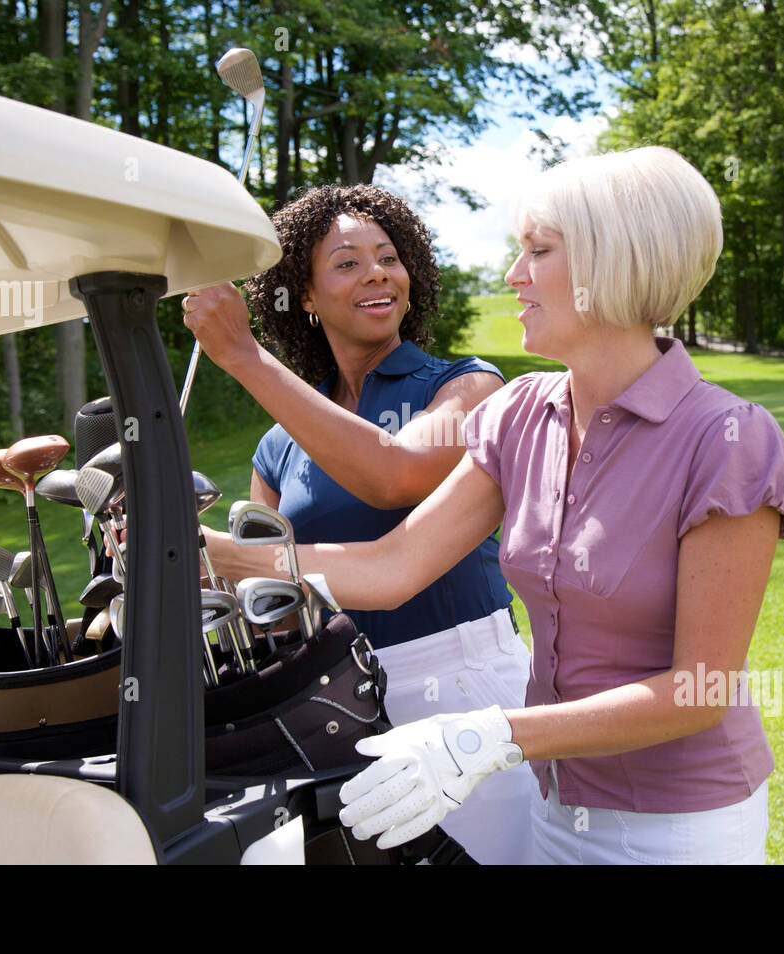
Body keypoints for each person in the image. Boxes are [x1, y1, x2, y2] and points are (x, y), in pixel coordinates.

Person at [202, 147, 784, 865]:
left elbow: (699, 692)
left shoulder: (728, 437)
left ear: (615, 263)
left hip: (682, 824)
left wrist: (489, 737)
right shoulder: (521, 414)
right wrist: (213, 555)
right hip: (557, 806)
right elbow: (395, 565)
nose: (512, 275)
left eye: (538, 251)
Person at [181, 184, 534, 864]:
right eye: (346, 262)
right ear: (305, 296)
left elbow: (394, 472)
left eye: (388, 257)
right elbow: (276, 609)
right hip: (330, 700)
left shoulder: (467, 386)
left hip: (465, 686)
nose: (376, 272)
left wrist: (243, 355)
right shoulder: (279, 444)